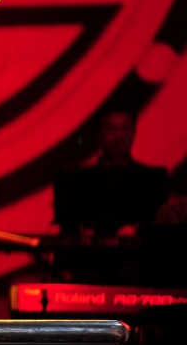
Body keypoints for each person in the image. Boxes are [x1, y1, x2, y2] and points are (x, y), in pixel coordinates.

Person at [52, 105, 168, 284]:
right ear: (98, 136)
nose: (119, 136)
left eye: (125, 128)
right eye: (110, 129)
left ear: (134, 133)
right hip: (89, 270)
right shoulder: (77, 180)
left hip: (138, 271)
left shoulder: (152, 180)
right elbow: (67, 233)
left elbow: (160, 235)